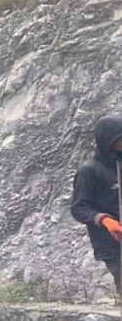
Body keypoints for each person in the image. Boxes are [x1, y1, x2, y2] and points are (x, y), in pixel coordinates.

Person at [71, 115, 122, 300]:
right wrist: (105, 220)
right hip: (113, 243)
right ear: (109, 140)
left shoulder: (120, 164)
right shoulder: (89, 171)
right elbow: (78, 208)